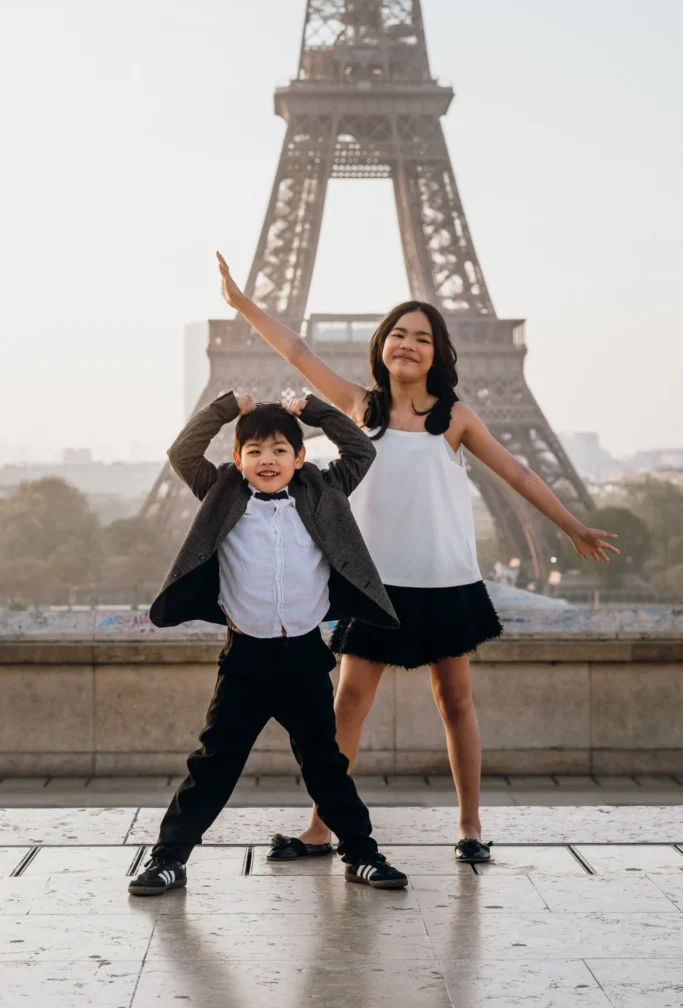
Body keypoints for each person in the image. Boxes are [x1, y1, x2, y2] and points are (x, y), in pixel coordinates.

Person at [215, 250, 620, 863]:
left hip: (445, 579)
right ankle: (323, 828)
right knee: (346, 704)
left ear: (439, 354)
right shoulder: (358, 408)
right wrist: (242, 304)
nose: (408, 344)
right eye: (398, 334)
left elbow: (515, 470)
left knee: (455, 701)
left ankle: (469, 827)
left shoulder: (455, 417)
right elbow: (297, 351)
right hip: (374, 584)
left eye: (422, 337)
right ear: (382, 346)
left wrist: (572, 527)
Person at [128, 392, 408, 895]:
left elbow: (360, 451)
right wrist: (226, 408)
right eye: (253, 450)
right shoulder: (221, 493)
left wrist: (315, 410)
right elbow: (183, 453)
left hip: (303, 657)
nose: (267, 460)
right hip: (246, 661)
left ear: (301, 457)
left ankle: (362, 855)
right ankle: (168, 859)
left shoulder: (324, 490)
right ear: (237, 460)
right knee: (213, 767)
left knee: (326, 767)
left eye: (280, 450)